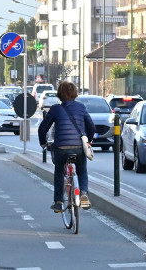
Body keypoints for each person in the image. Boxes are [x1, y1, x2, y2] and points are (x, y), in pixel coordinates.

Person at [38, 81, 96, 212]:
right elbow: (91, 126)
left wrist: (43, 143)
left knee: (59, 171)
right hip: (79, 147)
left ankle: (58, 201)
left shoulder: (55, 109)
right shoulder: (81, 107)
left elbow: (43, 128)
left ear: (59, 94)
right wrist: (89, 140)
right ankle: (84, 193)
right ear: (74, 93)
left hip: (61, 148)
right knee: (82, 170)